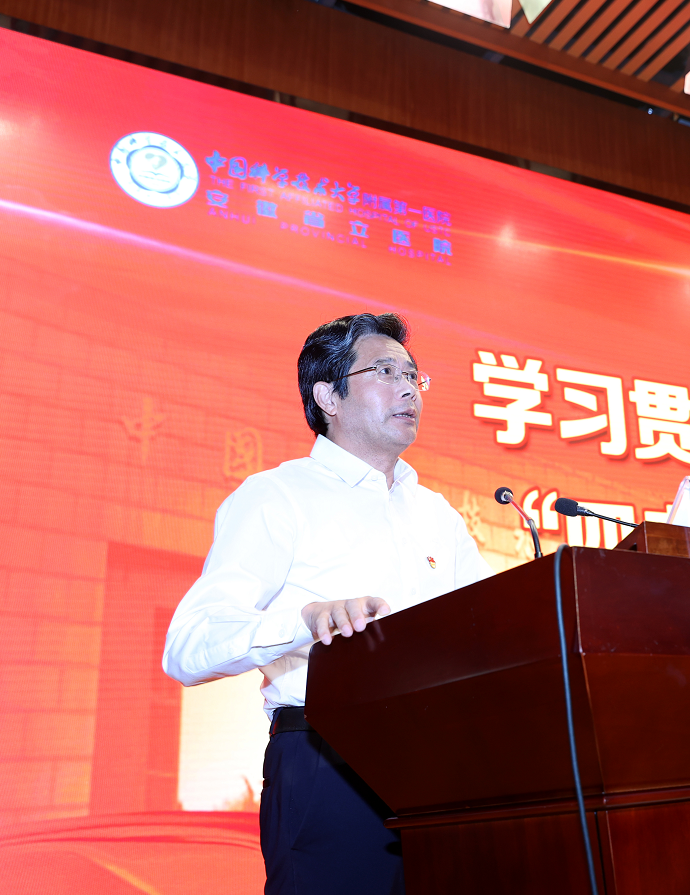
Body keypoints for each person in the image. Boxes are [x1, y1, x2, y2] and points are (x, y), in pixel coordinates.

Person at [163, 313, 494, 895]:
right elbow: (188, 647)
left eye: (413, 375)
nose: (408, 388)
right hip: (328, 765)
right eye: (385, 372)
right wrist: (303, 622)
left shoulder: (437, 515)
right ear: (327, 397)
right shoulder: (277, 496)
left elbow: (489, 626)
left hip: (443, 767)